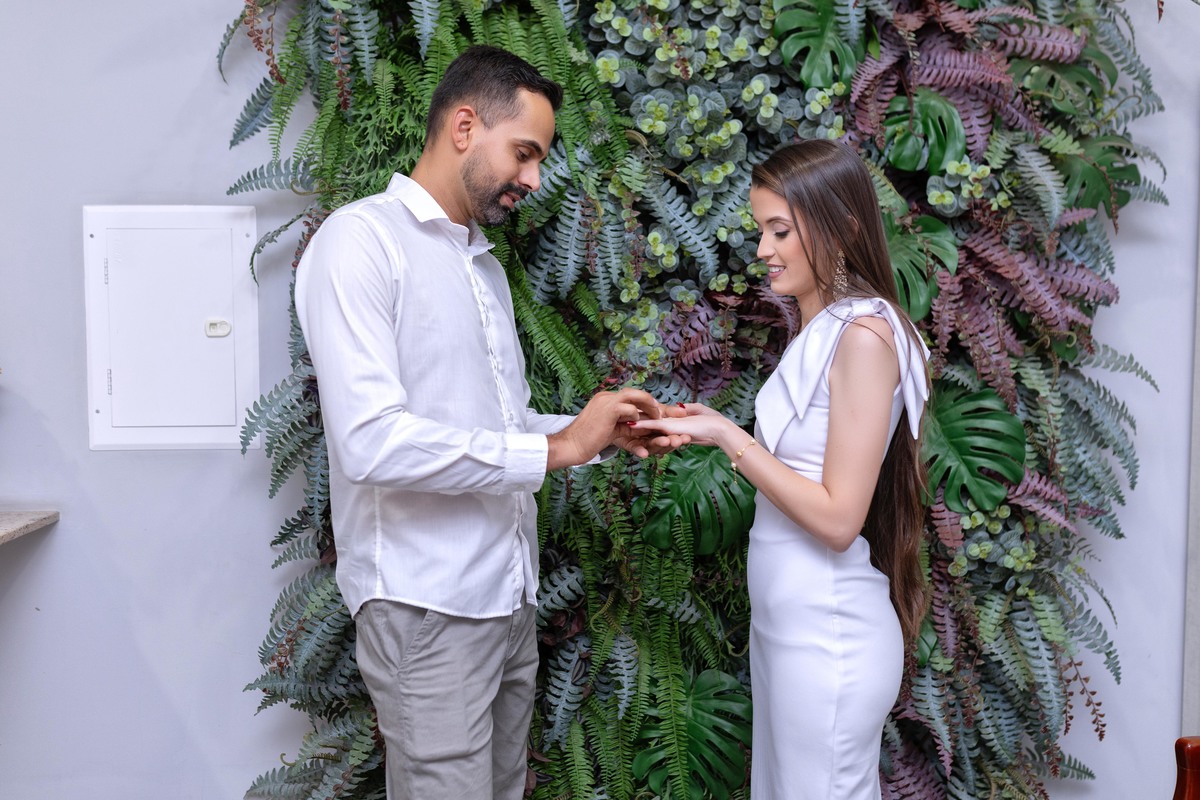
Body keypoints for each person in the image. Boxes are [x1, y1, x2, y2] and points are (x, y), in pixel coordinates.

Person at [294, 45, 686, 800]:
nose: (534, 180)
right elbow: (371, 442)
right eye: (525, 153)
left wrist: (594, 436)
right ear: (465, 127)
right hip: (426, 606)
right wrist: (559, 448)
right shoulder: (360, 242)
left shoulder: (483, 266)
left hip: (506, 600)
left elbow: (496, 427)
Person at [631, 139, 931, 799]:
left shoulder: (863, 337)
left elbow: (839, 519)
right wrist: (711, 427)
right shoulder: (822, 331)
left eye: (780, 231)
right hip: (792, 633)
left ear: (842, 227)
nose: (763, 249)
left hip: (828, 641)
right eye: (761, 230)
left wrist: (726, 436)